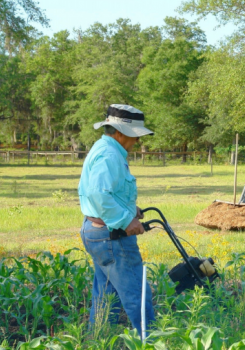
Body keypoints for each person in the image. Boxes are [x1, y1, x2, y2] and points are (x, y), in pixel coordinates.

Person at [78, 104, 155, 334]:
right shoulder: (110, 154)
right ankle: (150, 342)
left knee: (105, 296)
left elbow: (108, 191)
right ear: (120, 133)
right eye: (135, 136)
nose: (137, 142)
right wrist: (126, 220)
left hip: (98, 233)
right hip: (112, 236)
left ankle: (98, 341)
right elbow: (98, 193)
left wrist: (131, 209)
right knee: (137, 294)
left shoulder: (104, 148)